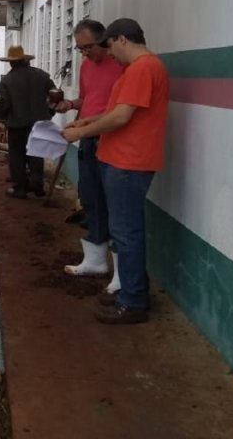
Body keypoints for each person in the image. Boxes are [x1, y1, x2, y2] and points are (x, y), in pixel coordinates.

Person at [63, 18, 169, 325]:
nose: (111, 54)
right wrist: (87, 121)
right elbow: (116, 112)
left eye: (111, 46)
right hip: (123, 159)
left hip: (128, 161)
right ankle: (134, 290)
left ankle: (132, 300)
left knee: (126, 232)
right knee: (124, 229)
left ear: (121, 39)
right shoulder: (139, 69)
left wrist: (81, 133)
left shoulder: (142, 68)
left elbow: (122, 117)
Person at [54, 20, 124, 281]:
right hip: (87, 138)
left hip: (111, 138)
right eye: (80, 49)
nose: (85, 53)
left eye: (88, 47)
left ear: (104, 40)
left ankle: (121, 272)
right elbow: (87, 99)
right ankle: (95, 259)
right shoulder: (86, 66)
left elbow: (121, 110)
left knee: (114, 202)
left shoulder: (121, 65)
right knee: (91, 197)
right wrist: (70, 104)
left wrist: (87, 126)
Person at [0, 45, 56, 198]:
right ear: (25, 60)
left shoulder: (7, 81)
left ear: (11, 62)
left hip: (17, 124)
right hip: (39, 124)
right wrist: (50, 112)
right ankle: (37, 186)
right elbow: (55, 95)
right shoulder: (42, 76)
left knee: (17, 156)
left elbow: (5, 105)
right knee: (36, 153)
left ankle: (20, 188)